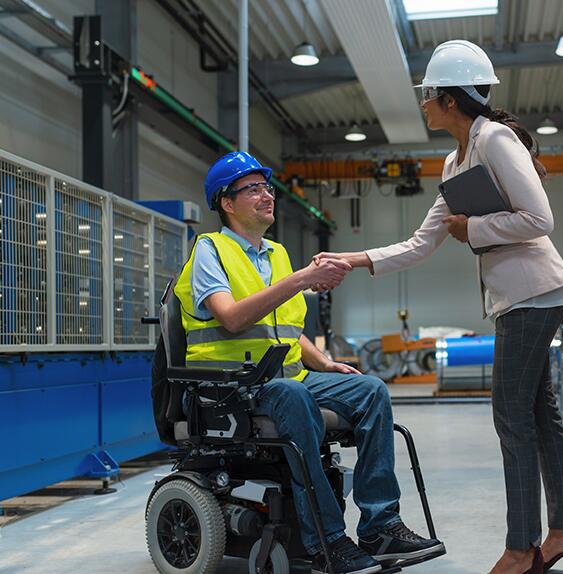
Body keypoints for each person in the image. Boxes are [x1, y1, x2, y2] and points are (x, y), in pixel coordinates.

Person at [316, 40, 563, 574]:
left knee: (511, 416)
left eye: (428, 95)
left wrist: (474, 228)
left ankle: (521, 548)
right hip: (520, 297)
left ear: (450, 99)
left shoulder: (496, 139)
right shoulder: (455, 159)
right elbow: (420, 244)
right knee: (538, 414)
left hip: (534, 293)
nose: (423, 103)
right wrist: (353, 259)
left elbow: (540, 220)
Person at [173, 151, 444, 574]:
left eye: (267, 187)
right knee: (294, 394)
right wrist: (301, 279)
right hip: (231, 388)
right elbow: (231, 317)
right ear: (227, 202)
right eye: (254, 188)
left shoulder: (276, 254)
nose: (267, 195)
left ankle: (380, 526)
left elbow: (286, 330)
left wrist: (326, 362)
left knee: (369, 390)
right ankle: (327, 540)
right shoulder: (211, 250)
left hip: (285, 380)